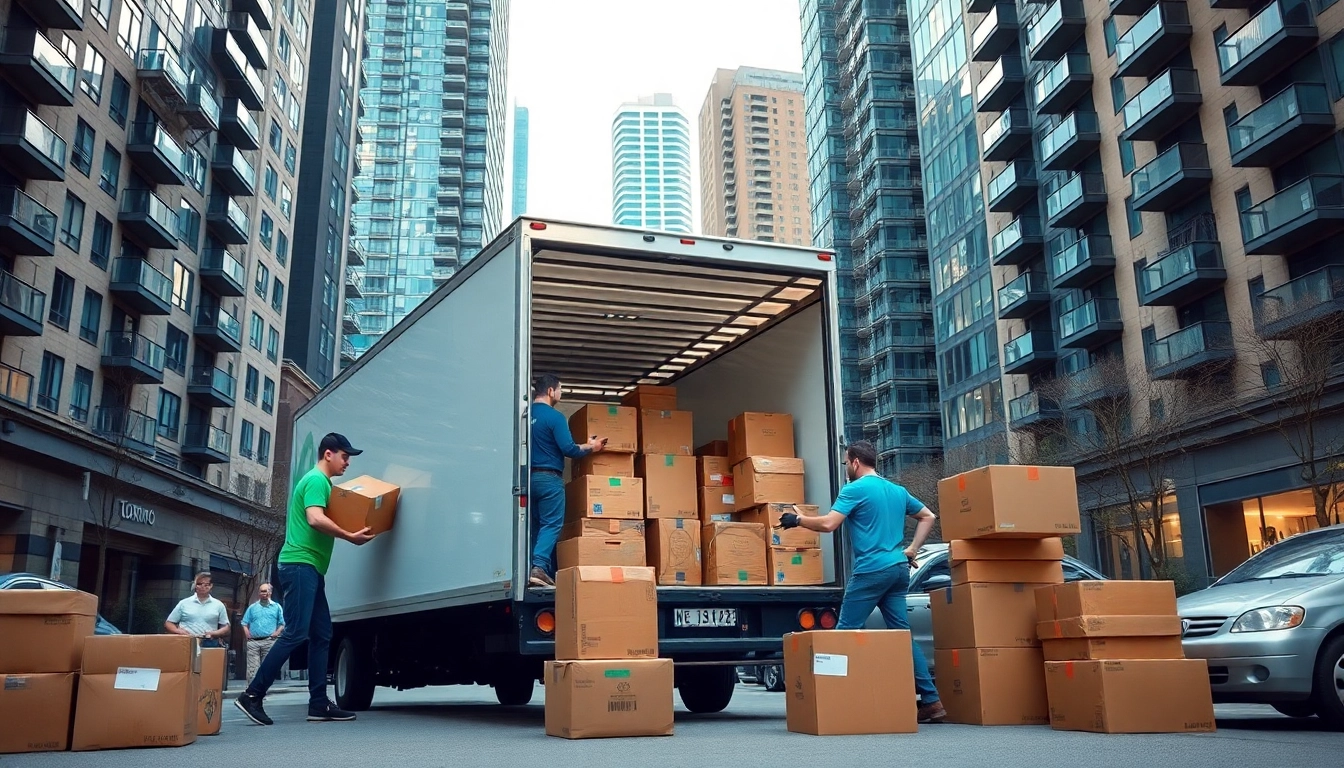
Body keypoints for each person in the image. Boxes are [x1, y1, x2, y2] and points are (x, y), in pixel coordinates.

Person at [778, 440, 945, 724]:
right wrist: (912, 549)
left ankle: (838, 698)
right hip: (897, 569)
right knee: (901, 634)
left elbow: (830, 524)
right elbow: (928, 516)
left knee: (845, 633)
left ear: (855, 462)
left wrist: (798, 520)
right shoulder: (897, 491)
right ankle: (931, 701)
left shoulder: (854, 489)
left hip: (870, 571)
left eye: (846, 462)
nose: (846, 467)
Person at [234, 432, 376, 726]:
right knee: (296, 632)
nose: (347, 462)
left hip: (310, 568)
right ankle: (252, 695)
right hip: (300, 565)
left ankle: (318, 704)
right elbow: (314, 518)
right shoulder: (316, 480)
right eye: (345, 456)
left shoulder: (323, 484)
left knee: (322, 634)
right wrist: (349, 536)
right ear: (328, 454)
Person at [528, 373, 606, 587]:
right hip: (549, 479)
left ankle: (535, 569)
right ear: (551, 391)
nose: (561, 393)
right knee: (552, 524)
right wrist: (592, 446)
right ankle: (540, 567)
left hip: (527, 480)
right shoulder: (555, 417)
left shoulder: (526, 416)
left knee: (536, 526)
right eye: (560, 389)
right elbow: (569, 449)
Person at [165, 571, 231, 648]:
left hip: (209, 642)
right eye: (199, 584)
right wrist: (178, 631)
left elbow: (226, 627)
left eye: (206, 585)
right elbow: (169, 623)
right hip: (186, 642)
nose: (203, 587)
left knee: (208, 660)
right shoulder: (184, 603)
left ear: (211, 586)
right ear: (195, 585)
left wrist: (215, 633)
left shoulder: (219, 605)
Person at [240, 583, 286, 681]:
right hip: (253, 642)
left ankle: (262, 693)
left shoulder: (277, 607)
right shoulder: (252, 607)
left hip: (269, 641)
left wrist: (277, 633)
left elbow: (282, 624)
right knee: (252, 670)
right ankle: (252, 692)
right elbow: (244, 622)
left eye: (265, 591)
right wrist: (247, 633)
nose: (263, 593)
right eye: (261, 591)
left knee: (267, 668)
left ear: (270, 592)